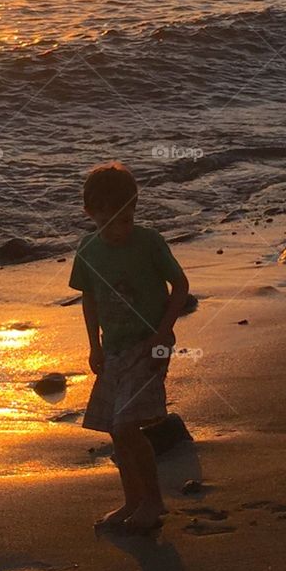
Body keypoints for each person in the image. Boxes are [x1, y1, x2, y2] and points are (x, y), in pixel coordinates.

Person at [68, 161, 190, 536]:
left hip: (148, 344)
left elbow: (181, 286)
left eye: (125, 219)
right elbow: (89, 298)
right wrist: (93, 347)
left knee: (125, 424)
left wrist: (162, 334)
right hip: (114, 348)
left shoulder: (149, 242)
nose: (118, 229)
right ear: (90, 213)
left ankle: (152, 501)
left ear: (134, 211)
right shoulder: (88, 249)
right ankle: (132, 500)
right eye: (107, 221)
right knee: (113, 428)